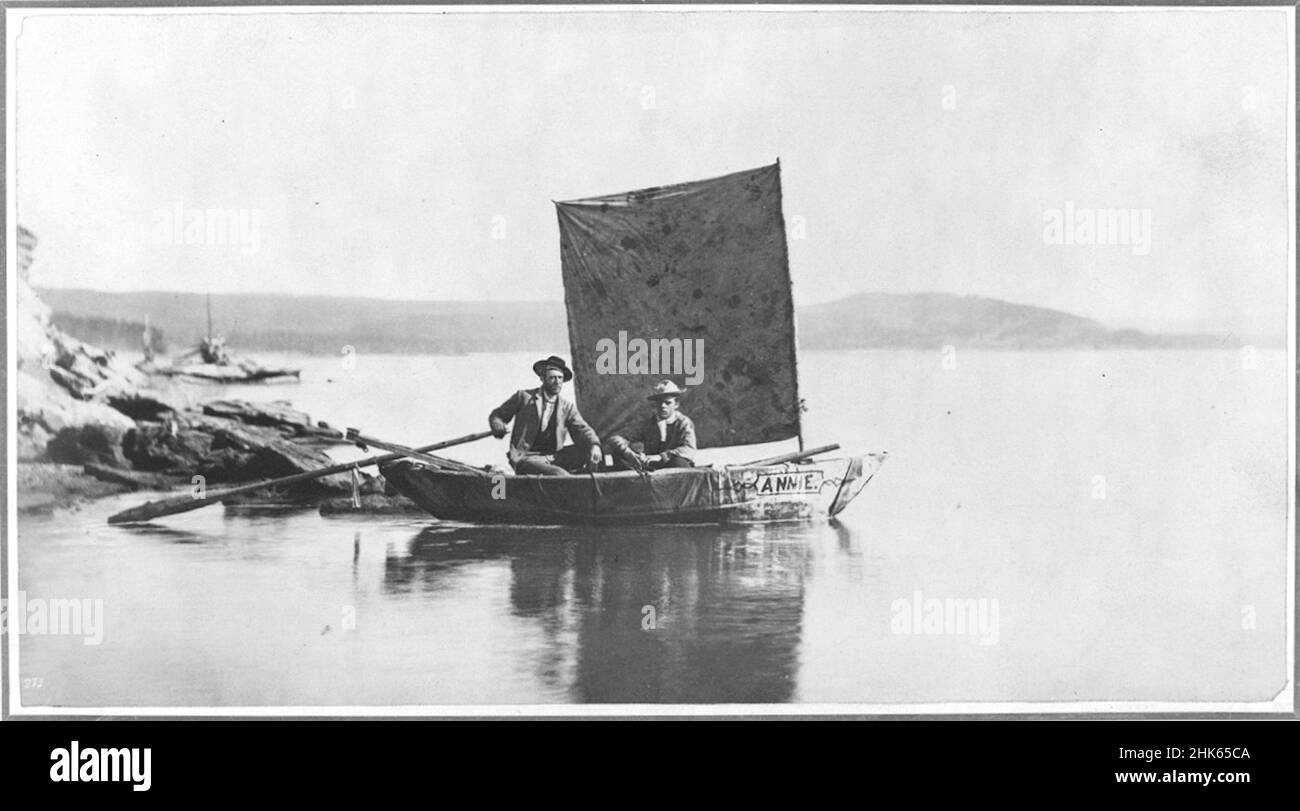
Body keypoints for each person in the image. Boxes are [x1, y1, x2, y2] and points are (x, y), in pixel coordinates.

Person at [488, 355, 603, 475]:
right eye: (552, 378)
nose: (557, 382)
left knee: (591, 452)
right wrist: (497, 424)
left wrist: (594, 445)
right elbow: (498, 415)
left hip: (554, 457)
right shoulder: (524, 397)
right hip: (527, 458)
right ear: (543, 378)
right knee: (559, 475)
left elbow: (583, 429)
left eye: (560, 378)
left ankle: (584, 480)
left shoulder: (566, 407)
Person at [606, 380, 697, 472]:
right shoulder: (649, 423)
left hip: (673, 466)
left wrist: (661, 456)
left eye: (668, 403)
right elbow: (614, 438)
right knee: (619, 454)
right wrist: (629, 453)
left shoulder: (683, 422)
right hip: (652, 466)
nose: (662, 406)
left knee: (679, 462)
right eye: (659, 402)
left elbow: (689, 449)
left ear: (676, 404)